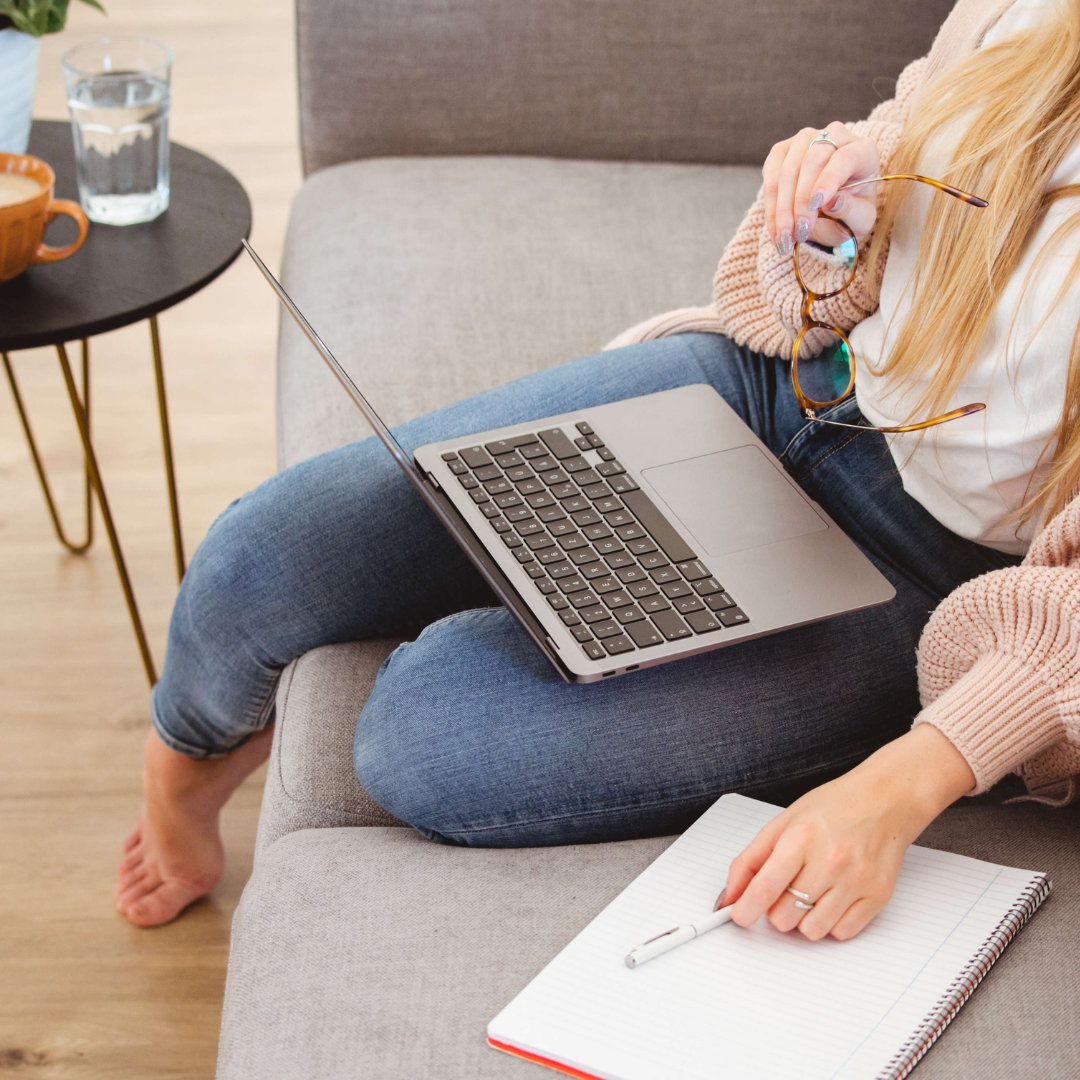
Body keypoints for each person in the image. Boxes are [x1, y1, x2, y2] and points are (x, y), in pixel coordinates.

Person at [115, 0, 1080, 935]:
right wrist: (830, 220)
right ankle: (189, 769)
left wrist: (906, 781)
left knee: (426, 736)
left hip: (926, 579)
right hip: (773, 389)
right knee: (258, 559)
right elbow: (877, 215)